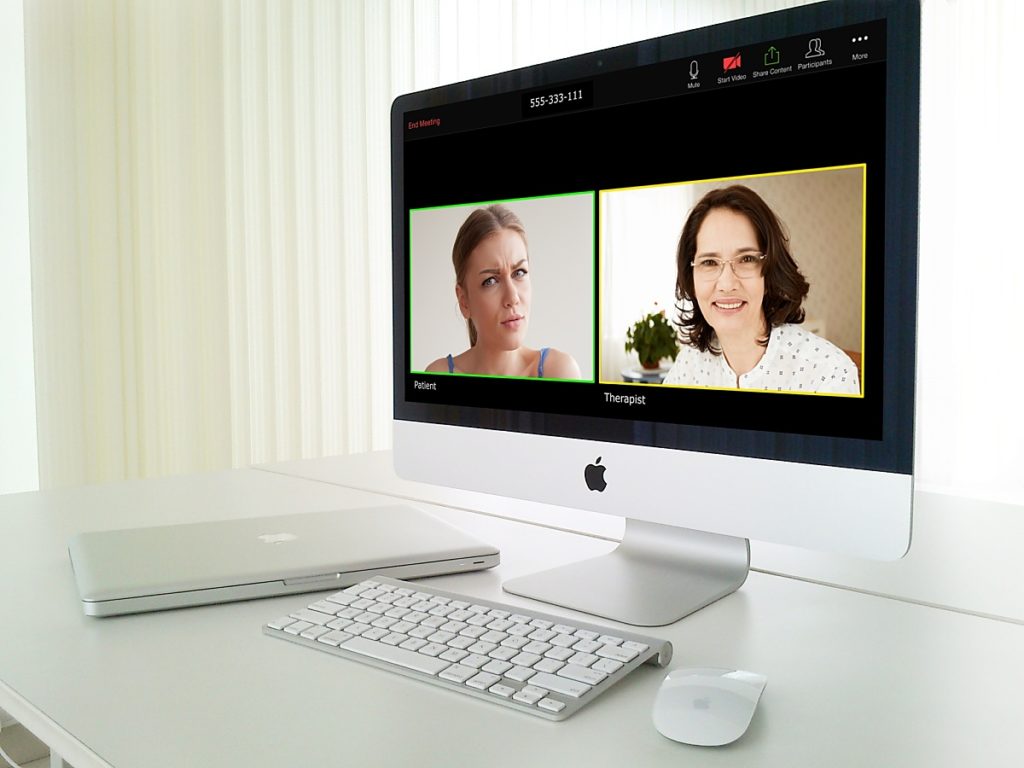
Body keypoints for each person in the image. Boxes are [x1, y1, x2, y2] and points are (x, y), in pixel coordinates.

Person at [663, 185, 859, 394]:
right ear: (691, 276)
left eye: (746, 259)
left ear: (770, 271)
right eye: (709, 262)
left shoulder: (828, 373)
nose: (727, 284)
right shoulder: (688, 365)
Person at [425, 204, 581, 379]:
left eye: (519, 272)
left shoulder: (559, 371)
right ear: (464, 300)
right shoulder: (438, 375)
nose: (512, 297)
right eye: (490, 281)